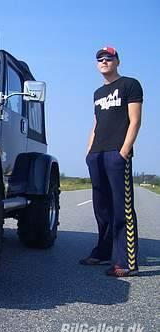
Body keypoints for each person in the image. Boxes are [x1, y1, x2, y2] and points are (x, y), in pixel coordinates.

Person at [80, 47, 143, 277]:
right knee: (102, 208)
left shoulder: (130, 85)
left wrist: (123, 152)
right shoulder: (98, 93)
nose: (104, 61)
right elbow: (96, 124)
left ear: (117, 61)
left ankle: (126, 262)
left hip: (117, 153)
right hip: (97, 154)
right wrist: (89, 151)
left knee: (121, 209)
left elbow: (135, 121)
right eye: (100, 59)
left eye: (109, 58)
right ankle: (103, 252)